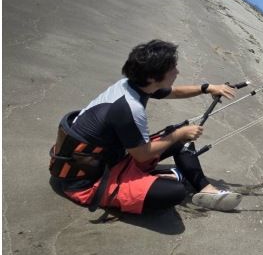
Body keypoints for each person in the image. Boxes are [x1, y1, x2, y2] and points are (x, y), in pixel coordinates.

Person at [49, 40, 242, 213]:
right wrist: (179, 133)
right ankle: (172, 177)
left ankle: (206, 190)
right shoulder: (129, 108)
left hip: (103, 159)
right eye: (172, 68)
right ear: (152, 77)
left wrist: (206, 88)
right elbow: (142, 154)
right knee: (175, 193)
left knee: (180, 140)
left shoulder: (131, 84)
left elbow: (173, 92)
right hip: (85, 181)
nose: (177, 71)